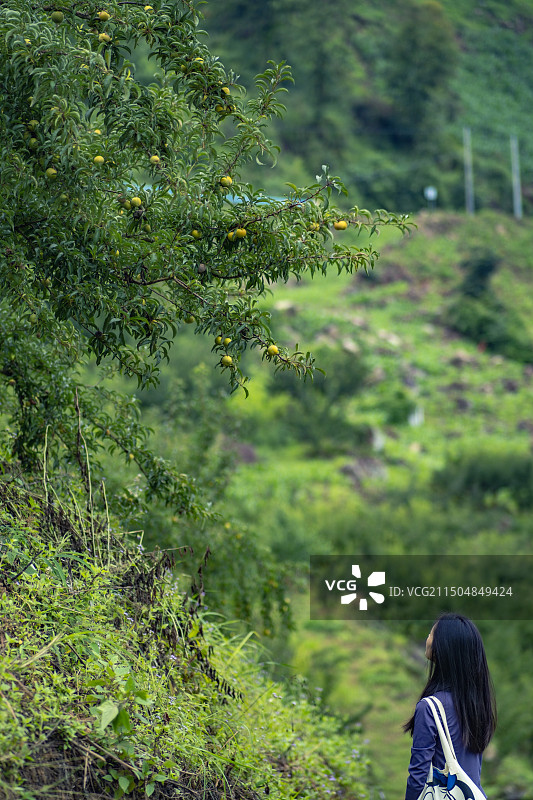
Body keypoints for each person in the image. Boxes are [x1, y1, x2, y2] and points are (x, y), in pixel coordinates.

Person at [403, 613, 497, 800]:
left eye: (431, 634)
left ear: (443, 647)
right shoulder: (478, 705)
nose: (427, 639)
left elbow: (418, 776)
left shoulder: (429, 708)